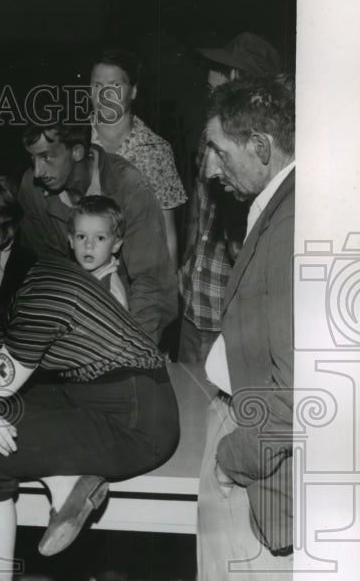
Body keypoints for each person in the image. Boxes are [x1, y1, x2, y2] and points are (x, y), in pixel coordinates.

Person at [0, 172, 179, 581]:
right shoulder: (18, 273)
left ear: (6, 238)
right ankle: (67, 479)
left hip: (136, 421)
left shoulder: (42, 289)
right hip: (88, 396)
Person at [196, 76, 294, 581]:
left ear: (259, 145)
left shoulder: (292, 227)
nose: (208, 168)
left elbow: (302, 396)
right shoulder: (287, 206)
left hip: (257, 460)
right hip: (245, 432)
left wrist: (234, 461)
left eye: (217, 151)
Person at [15, 121, 175, 344]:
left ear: (77, 151)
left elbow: (151, 287)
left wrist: (134, 354)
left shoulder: (130, 189)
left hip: (126, 327)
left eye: (46, 157)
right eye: (32, 159)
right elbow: (40, 275)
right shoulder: (32, 189)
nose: (38, 171)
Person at [178, 32, 281, 365]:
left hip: (229, 319)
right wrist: (187, 264)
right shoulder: (211, 134)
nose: (208, 80)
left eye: (217, 73)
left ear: (238, 81)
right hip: (193, 299)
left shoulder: (261, 158)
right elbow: (198, 205)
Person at [90, 47, 187, 265]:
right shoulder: (73, 142)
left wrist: (167, 292)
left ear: (133, 91)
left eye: (114, 86)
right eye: (97, 85)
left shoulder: (156, 150)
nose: (105, 95)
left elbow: (167, 233)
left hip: (137, 277)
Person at [67, 196, 127, 309]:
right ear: (71, 241)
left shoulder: (110, 292)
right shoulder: (75, 273)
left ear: (115, 245)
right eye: (81, 237)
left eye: (100, 238)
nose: (89, 245)